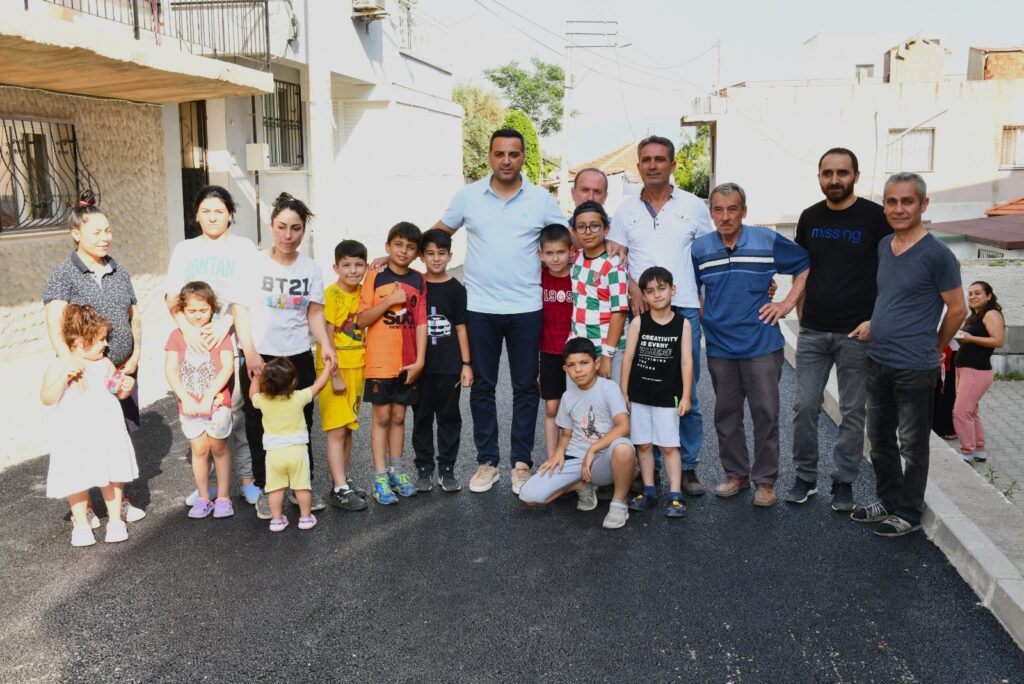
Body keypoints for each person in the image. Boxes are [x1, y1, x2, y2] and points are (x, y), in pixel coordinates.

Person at [434, 128, 568, 495]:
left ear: (523, 157)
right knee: (482, 386)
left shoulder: (541, 199)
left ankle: (521, 463)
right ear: (489, 157)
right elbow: (440, 233)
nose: (506, 160)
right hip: (480, 307)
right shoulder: (468, 196)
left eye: (513, 154)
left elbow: (569, 239)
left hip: (527, 307)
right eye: (500, 154)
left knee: (526, 387)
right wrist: (396, 258)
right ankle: (487, 462)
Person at [852, 172, 966, 537]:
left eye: (907, 201)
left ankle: (909, 512)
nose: (898, 209)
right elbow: (893, 297)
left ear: (923, 204)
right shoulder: (885, 245)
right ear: (884, 205)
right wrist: (875, 322)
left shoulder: (938, 255)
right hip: (878, 360)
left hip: (915, 368)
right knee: (880, 440)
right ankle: (888, 499)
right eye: (892, 202)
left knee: (913, 446)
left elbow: (958, 310)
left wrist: (935, 346)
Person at [607, 135, 714, 497]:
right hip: (642, 313)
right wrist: (631, 286)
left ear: (672, 165)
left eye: (660, 159)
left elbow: (709, 254)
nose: (653, 165)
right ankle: (646, 466)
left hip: (684, 309)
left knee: (684, 391)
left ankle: (688, 466)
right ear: (638, 166)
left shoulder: (693, 206)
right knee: (644, 392)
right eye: (647, 160)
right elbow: (616, 260)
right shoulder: (624, 210)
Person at [692, 183, 810, 507]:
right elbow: (691, 286)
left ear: (744, 211)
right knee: (726, 415)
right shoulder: (700, 248)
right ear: (711, 213)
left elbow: (804, 263)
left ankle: (765, 481)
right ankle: (736, 475)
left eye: (733, 209)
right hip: (720, 348)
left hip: (761, 345)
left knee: (766, 414)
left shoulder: (765, 240)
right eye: (718, 209)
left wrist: (786, 303)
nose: (725, 216)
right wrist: (705, 314)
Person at [788, 148, 893, 511]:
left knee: (853, 412)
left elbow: (889, 274)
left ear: (856, 176)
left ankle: (844, 481)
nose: (834, 180)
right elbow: (802, 269)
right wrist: (800, 310)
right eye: (827, 173)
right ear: (820, 176)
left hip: (857, 334)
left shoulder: (875, 218)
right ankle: (805, 477)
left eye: (842, 172)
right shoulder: (809, 217)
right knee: (804, 406)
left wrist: (875, 320)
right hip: (814, 331)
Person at [42, 190, 146, 526]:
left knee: (117, 435)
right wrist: (68, 361)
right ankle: (83, 507)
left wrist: (135, 355)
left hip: (119, 368)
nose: (105, 238)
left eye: (108, 231)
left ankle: (119, 501)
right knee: (83, 440)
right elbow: (54, 323)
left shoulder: (119, 270)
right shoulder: (63, 273)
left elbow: (134, 316)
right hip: (85, 373)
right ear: (77, 234)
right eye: (97, 232)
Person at [234, 193, 336, 519]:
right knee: (258, 423)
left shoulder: (311, 269)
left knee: (301, 422)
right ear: (271, 226)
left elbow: (314, 313)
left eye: (295, 228)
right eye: (282, 227)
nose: (288, 235)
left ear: (304, 230)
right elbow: (240, 310)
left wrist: (326, 345)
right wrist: (250, 353)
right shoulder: (253, 264)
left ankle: (300, 485)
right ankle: (268, 488)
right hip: (260, 357)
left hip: (297, 356)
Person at [165, 185, 259, 507]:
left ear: (230, 214)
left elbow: (249, 294)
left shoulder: (244, 248)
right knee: (199, 414)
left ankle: (247, 480)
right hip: (193, 348)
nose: (213, 217)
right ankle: (206, 486)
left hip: (228, 339)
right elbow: (171, 296)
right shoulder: (185, 250)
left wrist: (225, 323)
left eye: (219, 211)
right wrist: (186, 330)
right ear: (196, 216)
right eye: (206, 211)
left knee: (235, 413)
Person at [42, 304, 139, 547]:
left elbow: (117, 391)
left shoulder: (104, 364)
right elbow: (46, 398)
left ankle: (115, 520)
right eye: (101, 339)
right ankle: (81, 524)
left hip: (108, 430)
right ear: (78, 342)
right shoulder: (60, 365)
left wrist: (126, 387)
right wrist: (63, 379)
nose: (106, 344)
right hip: (76, 433)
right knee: (76, 475)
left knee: (113, 474)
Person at [519, 338, 638, 530]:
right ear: (565, 369)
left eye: (584, 363)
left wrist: (593, 449)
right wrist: (557, 454)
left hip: (604, 460)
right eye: (572, 365)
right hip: (576, 460)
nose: (578, 370)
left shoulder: (609, 388)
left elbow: (624, 426)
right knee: (529, 495)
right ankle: (581, 485)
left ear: (596, 363)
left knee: (623, 447)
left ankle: (619, 503)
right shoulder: (567, 397)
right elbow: (566, 434)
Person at [357, 221, 428, 505]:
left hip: (407, 363)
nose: (403, 251)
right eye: (398, 244)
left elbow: (421, 322)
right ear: (387, 246)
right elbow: (362, 319)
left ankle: (397, 471)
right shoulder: (375, 276)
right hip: (379, 363)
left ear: (417, 253)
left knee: (399, 417)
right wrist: (389, 301)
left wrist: (420, 361)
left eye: (410, 247)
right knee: (382, 418)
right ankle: (380, 477)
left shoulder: (419, 280)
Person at [620, 267, 693, 518]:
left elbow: (686, 362)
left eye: (662, 289)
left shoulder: (683, 324)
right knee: (643, 444)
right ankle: (649, 490)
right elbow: (628, 358)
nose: (657, 295)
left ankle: (675, 495)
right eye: (650, 291)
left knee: (669, 446)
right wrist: (624, 392)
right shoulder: (638, 322)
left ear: (673, 290)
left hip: (667, 397)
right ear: (643, 296)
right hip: (640, 395)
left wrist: (685, 396)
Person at [164, 282, 236, 520]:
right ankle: (204, 497)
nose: (197, 315)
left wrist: (208, 397)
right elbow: (171, 371)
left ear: (212, 309)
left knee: (219, 448)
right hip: (189, 405)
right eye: (192, 311)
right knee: (199, 449)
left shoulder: (219, 334)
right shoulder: (176, 336)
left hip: (216, 404)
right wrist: (185, 398)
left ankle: (223, 497)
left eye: (203, 310)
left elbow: (227, 368)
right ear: (182, 310)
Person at [412, 229, 473, 493]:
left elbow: (461, 328)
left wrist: (466, 364)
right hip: (420, 367)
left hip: (449, 367)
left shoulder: (456, 289)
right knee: (421, 418)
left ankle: (447, 468)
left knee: (449, 417)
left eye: (441, 253)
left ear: (450, 255)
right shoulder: (416, 285)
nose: (436, 258)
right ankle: (424, 468)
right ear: (421, 256)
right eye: (430, 253)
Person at [249, 356, 335, 532]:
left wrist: (256, 378)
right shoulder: (298, 397)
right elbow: (319, 385)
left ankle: (276, 520)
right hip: (297, 452)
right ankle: (305, 518)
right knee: (302, 487)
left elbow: (252, 396)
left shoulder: (264, 400)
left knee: (275, 489)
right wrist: (327, 367)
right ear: (294, 381)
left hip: (274, 454)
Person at [316, 240, 370, 512]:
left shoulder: (364, 293)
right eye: (346, 265)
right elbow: (327, 336)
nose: (353, 270)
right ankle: (339, 488)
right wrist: (334, 374)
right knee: (336, 430)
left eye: (359, 265)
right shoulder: (331, 295)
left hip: (357, 369)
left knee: (348, 428)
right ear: (335, 267)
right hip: (334, 371)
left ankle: (343, 480)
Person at [569, 201, 628, 383]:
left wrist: (607, 356)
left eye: (594, 226)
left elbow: (619, 311)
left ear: (606, 229)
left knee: (609, 399)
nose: (588, 232)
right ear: (575, 231)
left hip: (606, 349)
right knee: (580, 400)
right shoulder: (576, 257)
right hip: (578, 348)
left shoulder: (613, 264)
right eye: (581, 227)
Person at [953, 281, 1005, 462]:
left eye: (978, 293)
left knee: (961, 412)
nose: (972, 296)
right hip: (964, 369)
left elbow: (998, 341)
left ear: (988, 296)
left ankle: (967, 451)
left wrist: (970, 338)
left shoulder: (991, 314)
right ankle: (979, 449)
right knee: (971, 411)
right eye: (970, 293)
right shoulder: (974, 316)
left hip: (976, 371)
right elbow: (968, 340)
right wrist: (961, 338)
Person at [538, 224, 575, 459]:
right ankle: (552, 459)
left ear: (571, 251)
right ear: (540, 254)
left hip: (575, 353)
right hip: (549, 351)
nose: (555, 258)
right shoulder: (539, 278)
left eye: (560, 252)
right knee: (552, 407)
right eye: (549, 253)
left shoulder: (578, 277)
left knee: (576, 408)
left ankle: (573, 458)